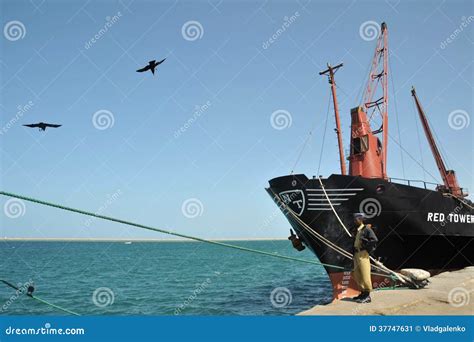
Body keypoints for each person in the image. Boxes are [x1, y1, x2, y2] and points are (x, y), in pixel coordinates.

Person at [351, 213, 378, 303]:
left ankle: (367, 296)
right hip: (356, 253)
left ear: (360, 219)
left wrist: (366, 246)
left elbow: (374, 240)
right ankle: (362, 293)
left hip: (363, 253)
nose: (354, 221)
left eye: (356, 219)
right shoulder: (356, 229)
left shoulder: (366, 229)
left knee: (365, 274)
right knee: (358, 274)